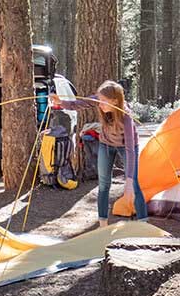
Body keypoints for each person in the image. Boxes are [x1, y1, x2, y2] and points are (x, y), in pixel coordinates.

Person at [51, 80, 146, 228]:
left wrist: (128, 183)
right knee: (103, 185)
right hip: (106, 144)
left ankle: (143, 222)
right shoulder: (99, 100)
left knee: (134, 183)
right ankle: (103, 225)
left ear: (115, 101)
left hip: (126, 147)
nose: (99, 104)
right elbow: (77, 104)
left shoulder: (126, 117)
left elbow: (130, 149)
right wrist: (60, 102)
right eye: (99, 100)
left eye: (103, 101)